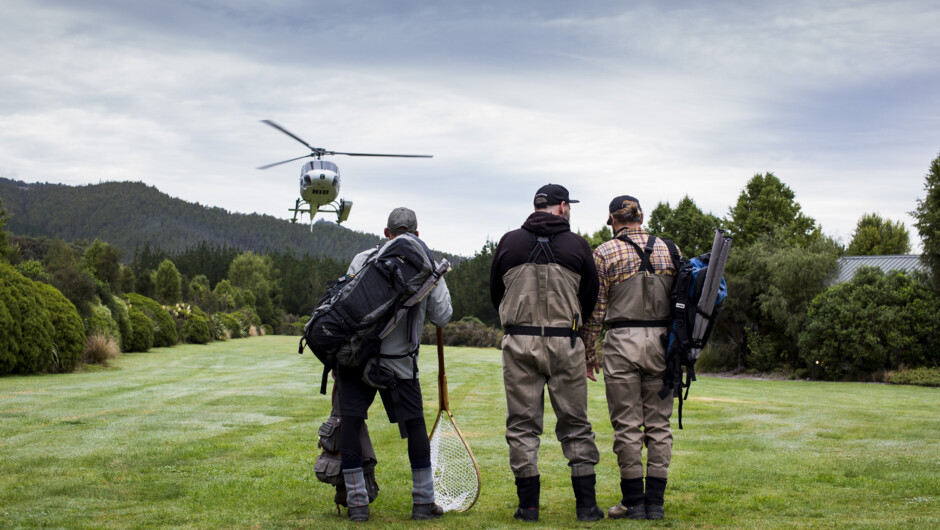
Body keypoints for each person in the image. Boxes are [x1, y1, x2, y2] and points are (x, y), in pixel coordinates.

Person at [490, 184, 604, 523]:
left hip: (519, 342)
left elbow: (496, 292)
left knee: (522, 425)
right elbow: (590, 296)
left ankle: (528, 507)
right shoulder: (577, 245)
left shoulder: (509, 242)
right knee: (576, 423)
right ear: (563, 206)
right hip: (566, 343)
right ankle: (586, 507)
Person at [337, 207, 453, 522]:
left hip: (356, 358)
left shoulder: (363, 259)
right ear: (417, 233)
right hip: (400, 363)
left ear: (386, 233)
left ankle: (357, 506)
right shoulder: (429, 266)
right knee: (415, 426)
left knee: (351, 422)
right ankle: (423, 504)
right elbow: (442, 316)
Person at [579, 195, 679, 520]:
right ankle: (656, 504)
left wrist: (589, 351)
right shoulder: (670, 249)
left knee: (627, 424)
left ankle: (633, 502)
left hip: (622, 341)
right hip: (663, 342)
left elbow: (596, 310)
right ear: (641, 217)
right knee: (660, 424)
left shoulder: (604, 252)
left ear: (613, 220)